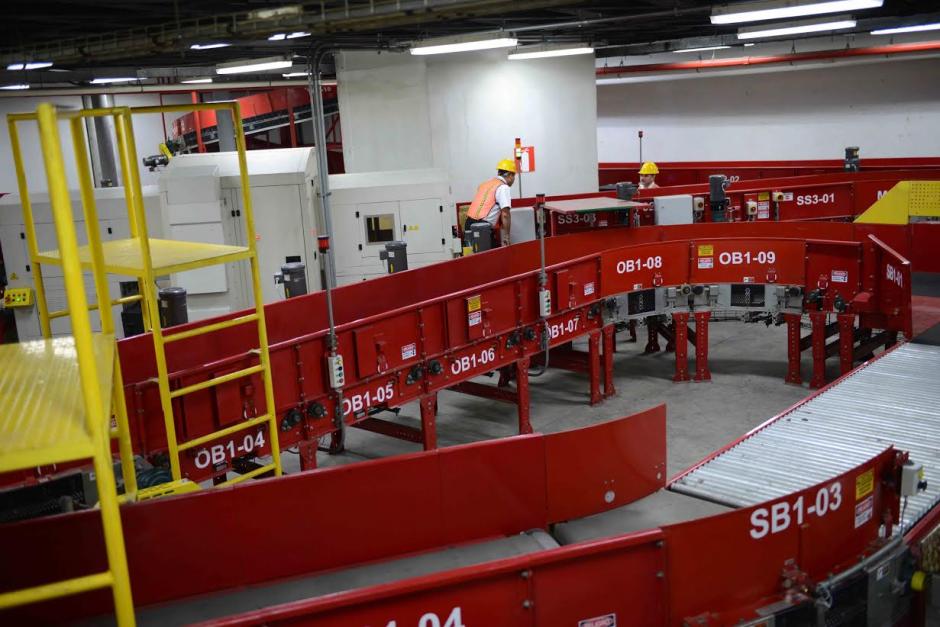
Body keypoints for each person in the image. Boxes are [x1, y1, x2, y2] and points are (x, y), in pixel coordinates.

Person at [464, 158, 516, 247]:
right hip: (482, 228)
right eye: (514, 176)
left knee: (472, 256)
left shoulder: (486, 184)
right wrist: (507, 236)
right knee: (489, 257)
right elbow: (505, 214)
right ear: (510, 175)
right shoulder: (503, 187)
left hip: (468, 224)